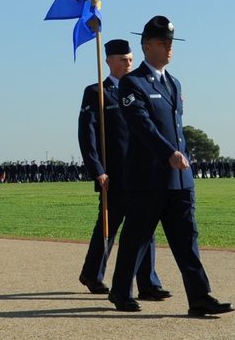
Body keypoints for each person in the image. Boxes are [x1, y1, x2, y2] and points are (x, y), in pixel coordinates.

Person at [109, 15, 233, 316]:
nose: (169, 49)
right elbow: (142, 125)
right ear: (146, 46)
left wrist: (183, 157)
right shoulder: (132, 82)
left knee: (187, 239)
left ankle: (200, 296)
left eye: (171, 44)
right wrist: (168, 153)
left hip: (179, 179)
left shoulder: (174, 83)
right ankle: (121, 292)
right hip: (149, 177)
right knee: (136, 238)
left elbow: (177, 128)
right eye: (163, 43)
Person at [77, 39, 167, 299]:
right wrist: (97, 169)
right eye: (122, 60)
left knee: (145, 228)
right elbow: (87, 134)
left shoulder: (140, 89)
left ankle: (148, 283)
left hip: (142, 172)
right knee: (108, 226)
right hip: (113, 174)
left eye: (130, 59)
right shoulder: (96, 92)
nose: (128, 63)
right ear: (108, 62)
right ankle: (92, 274)